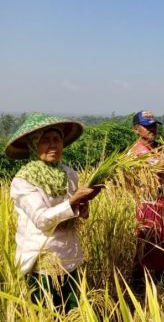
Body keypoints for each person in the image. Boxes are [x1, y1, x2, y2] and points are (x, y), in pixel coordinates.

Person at [6, 113, 101, 312]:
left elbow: (77, 213)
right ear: (33, 145)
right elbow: (42, 220)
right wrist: (74, 200)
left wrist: (83, 206)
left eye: (57, 139)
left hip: (70, 256)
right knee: (47, 312)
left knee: (75, 310)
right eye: (45, 140)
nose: (53, 145)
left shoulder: (69, 173)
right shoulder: (23, 181)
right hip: (42, 260)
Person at [129, 110, 164, 291]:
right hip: (149, 208)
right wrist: (162, 165)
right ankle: (141, 291)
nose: (152, 129)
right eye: (147, 126)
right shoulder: (135, 154)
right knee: (148, 250)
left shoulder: (159, 148)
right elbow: (150, 181)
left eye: (154, 125)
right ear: (136, 129)